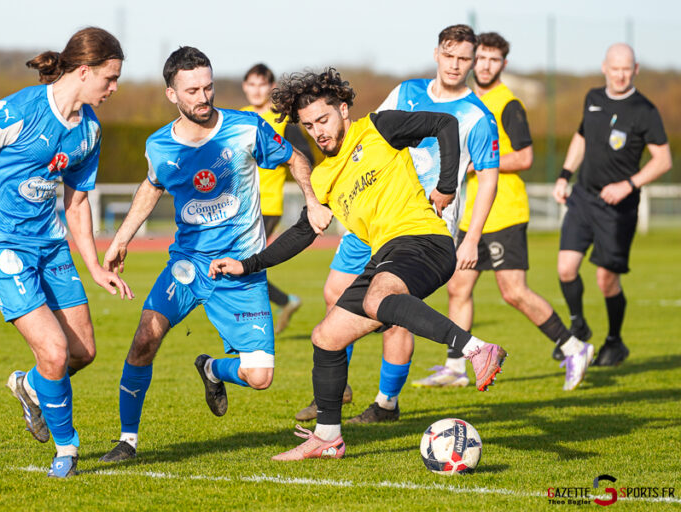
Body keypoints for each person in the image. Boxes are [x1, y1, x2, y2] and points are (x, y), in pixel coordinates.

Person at [209, 68, 509, 461]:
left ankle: (475, 349)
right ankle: (328, 437)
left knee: (377, 298)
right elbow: (303, 233)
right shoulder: (323, 177)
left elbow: (444, 123)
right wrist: (248, 265)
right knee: (326, 337)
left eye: (324, 119)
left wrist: (448, 184)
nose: (318, 130)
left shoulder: (378, 128)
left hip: (424, 241)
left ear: (344, 110)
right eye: (308, 125)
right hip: (385, 254)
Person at [98, 47, 330, 463]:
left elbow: (295, 157)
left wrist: (311, 200)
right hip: (187, 266)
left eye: (208, 87)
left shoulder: (246, 127)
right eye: (192, 90)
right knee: (143, 342)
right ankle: (127, 441)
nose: (203, 97)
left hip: (241, 271)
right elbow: (152, 187)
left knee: (259, 378)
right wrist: (121, 239)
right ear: (172, 94)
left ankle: (210, 368)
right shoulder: (160, 145)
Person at [0, 27, 132, 478]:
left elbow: (77, 201)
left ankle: (28, 386)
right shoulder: (20, 110)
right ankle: (67, 450)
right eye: (110, 78)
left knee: (82, 352)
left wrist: (93, 264)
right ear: (84, 72)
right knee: (54, 351)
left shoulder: (89, 130)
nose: (114, 88)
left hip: (49, 243)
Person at [295, 24, 500, 423]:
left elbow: (488, 178)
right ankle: (338, 388)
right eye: (450, 55)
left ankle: (386, 402)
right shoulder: (405, 92)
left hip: (420, 220)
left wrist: (471, 235)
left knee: (390, 306)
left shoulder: (478, 115)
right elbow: (366, 132)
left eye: (464, 59)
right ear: (437, 54)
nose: (456, 65)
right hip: (368, 212)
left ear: (473, 62)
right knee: (335, 292)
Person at [413, 32, 593, 392]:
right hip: (469, 214)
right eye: (481, 59)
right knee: (458, 288)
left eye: (494, 60)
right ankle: (455, 367)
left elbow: (525, 157)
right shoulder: (463, 101)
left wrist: (479, 163)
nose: (485, 65)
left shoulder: (507, 104)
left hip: (504, 212)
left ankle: (574, 346)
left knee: (513, 292)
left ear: (503, 65)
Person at [555, 43, 671, 366]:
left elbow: (663, 160)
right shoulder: (592, 98)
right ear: (605, 67)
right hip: (583, 197)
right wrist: (564, 175)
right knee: (565, 268)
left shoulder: (644, 110)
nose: (620, 74)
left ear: (635, 70)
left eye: (626, 68)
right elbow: (581, 137)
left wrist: (627, 185)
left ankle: (614, 342)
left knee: (606, 279)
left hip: (618, 208)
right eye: (614, 68)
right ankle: (577, 327)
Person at [241, 63, 316, 334]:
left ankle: (255, 322)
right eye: (251, 84)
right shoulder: (240, 117)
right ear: (244, 87)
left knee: (246, 263)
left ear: (271, 87)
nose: (256, 90)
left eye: (261, 84)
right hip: (239, 205)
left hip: (267, 204)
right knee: (239, 261)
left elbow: (304, 155)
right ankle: (284, 302)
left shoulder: (282, 119)